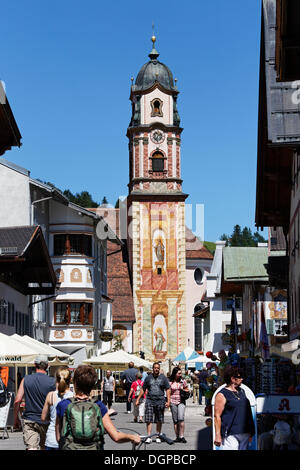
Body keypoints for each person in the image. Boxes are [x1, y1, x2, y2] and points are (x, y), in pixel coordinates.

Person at [55, 364, 140, 450]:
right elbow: (116, 437)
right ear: (92, 385)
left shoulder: (63, 405)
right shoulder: (98, 405)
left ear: (74, 382)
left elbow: (58, 437)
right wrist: (131, 437)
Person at [13, 355, 56, 450]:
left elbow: (17, 400)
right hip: (47, 421)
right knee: (45, 447)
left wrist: (15, 419)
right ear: (47, 365)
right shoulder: (53, 382)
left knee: (31, 447)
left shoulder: (26, 379)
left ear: (34, 364)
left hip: (30, 420)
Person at [214, 366, 255, 450]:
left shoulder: (242, 391)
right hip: (230, 433)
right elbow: (217, 416)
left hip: (245, 432)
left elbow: (247, 412)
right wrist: (218, 435)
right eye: (240, 377)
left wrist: (251, 432)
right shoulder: (222, 394)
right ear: (232, 379)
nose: (242, 379)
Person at [135, 362, 170, 443]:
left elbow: (168, 389)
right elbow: (143, 389)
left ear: (159, 369)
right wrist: (138, 399)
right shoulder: (148, 378)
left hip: (160, 401)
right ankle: (149, 436)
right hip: (150, 400)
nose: (156, 369)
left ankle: (158, 435)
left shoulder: (163, 378)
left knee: (159, 419)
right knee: (148, 419)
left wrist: (168, 401)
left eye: (158, 368)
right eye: (155, 368)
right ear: (153, 368)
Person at [41, 366, 73, 450]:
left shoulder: (51, 395)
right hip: (67, 440)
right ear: (70, 380)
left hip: (51, 439)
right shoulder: (73, 397)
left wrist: (51, 417)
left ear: (56, 379)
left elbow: (43, 418)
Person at [169, 367, 189, 443]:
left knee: (181, 418)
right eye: (179, 373)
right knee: (175, 420)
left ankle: (182, 436)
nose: (180, 374)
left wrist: (183, 390)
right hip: (172, 401)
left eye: (181, 373)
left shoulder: (183, 381)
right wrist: (168, 401)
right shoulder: (170, 382)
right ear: (175, 374)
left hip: (181, 401)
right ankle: (177, 437)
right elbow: (168, 392)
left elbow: (187, 390)